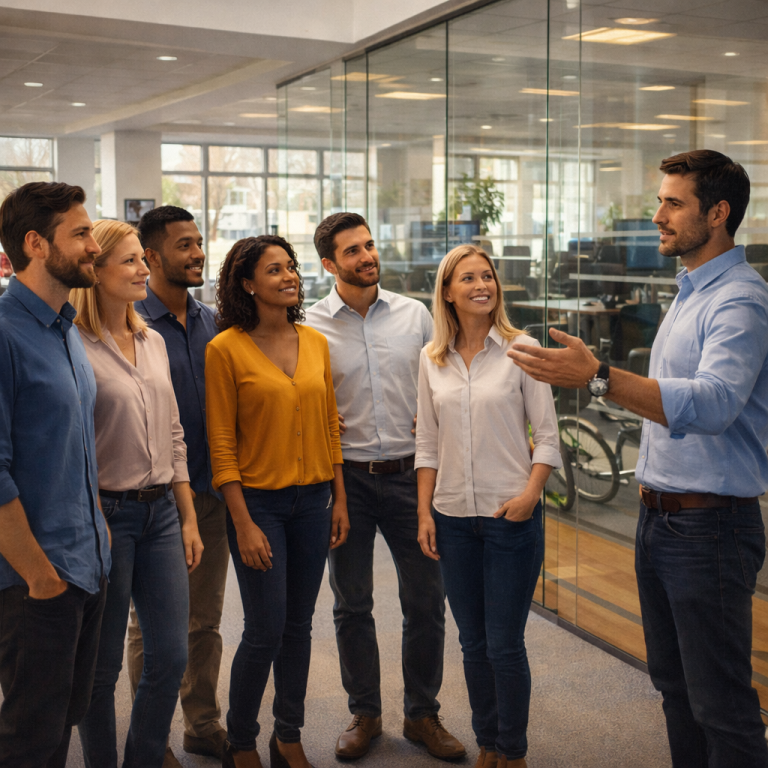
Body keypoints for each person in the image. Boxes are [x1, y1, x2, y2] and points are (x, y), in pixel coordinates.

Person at [508, 149, 768, 768]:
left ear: (719, 213)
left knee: (721, 706)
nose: (657, 216)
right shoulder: (690, 290)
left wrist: (598, 377)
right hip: (662, 520)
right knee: (675, 689)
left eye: (674, 203)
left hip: (709, 527)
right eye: (660, 201)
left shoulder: (741, 300)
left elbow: (713, 403)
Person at [304, 212, 465, 761]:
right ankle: (365, 713)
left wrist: (436, 412)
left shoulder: (415, 315)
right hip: (346, 480)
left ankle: (422, 715)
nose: (368, 256)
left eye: (369, 245)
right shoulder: (311, 327)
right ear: (330, 264)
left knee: (426, 600)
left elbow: (445, 375)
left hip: (411, 477)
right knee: (352, 603)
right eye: (352, 250)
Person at [415, 244, 560, 768]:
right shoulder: (431, 359)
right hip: (453, 519)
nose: (482, 286)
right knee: (472, 643)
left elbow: (547, 438)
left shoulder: (523, 349)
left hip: (509, 519)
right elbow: (427, 444)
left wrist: (529, 496)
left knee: (504, 644)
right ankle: (487, 743)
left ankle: (512, 751)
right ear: (448, 292)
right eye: (468, 278)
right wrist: (425, 512)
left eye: (487, 276)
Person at [206, 234, 349, 768]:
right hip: (258, 506)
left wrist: (339, 498)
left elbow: (330, 427)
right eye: (274, 270)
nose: (289, 276)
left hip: (313, 502)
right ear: (247, 284)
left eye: (290, 267)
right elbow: (221, 443)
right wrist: (242, 522)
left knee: (298, 627)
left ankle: (288, 736)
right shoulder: (224, 349)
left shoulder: (315, 343)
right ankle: (241, 740)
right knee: (264, 630)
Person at [72, 219, 204, 768]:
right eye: (129, 260)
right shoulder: (74, 345)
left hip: (163, 514)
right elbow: (74, 448)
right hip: (108, 514)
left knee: (170, 657)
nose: (143, 269)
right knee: (101, 669)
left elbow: (174, 432)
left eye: (142, 260)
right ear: (95, 271)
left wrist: (188, 516)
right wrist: (92, 517)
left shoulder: (152, 340)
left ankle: (143, 758)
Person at [0, 182, 111, 767]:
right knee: (31, 739)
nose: (95, 245)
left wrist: (98, 529)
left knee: (63, 718)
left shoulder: (65, 329)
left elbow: (73, 448)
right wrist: (40, 577)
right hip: (34, 581)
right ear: (36, 244)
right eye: (82, 233)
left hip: (85, 565)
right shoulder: (4, 334)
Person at [126, 205, 229, 765]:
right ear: (152, 255)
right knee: (152, 626)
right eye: (184, 245)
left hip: (211, 492)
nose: (197, 254)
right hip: (157, 497)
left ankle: (202, 722)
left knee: (204, 620)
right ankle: (153, 738)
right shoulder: (130, 322)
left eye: (199, 242)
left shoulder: (213, 322)